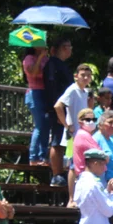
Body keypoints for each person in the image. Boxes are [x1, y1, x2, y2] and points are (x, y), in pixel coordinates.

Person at [43, 37, 74, 187]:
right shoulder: (52, 64)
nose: (70, 49)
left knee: (63, 142)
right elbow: (52, 88)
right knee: (57, 141)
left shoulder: (61, 65)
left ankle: (61, 171)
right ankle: (56, 174)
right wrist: (56, 111)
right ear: (60, 48)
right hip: (57, 110)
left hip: (65, 110)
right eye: (67, 46)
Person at [22, 47, 51, 166]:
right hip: (34, 93)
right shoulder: (29, 58)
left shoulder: (46, 59)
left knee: (46, 125)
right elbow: (33, 72)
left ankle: (43, 156)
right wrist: (39, 58)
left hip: (45, 93)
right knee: (39, 125)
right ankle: (33, 157)